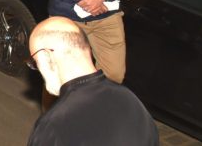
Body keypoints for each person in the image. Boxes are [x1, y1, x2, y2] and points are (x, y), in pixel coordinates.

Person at [26, 17, 158, 146]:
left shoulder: (53, 126)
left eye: (35, 63)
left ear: (46, 56)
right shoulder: (135, 104)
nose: (37, 70)